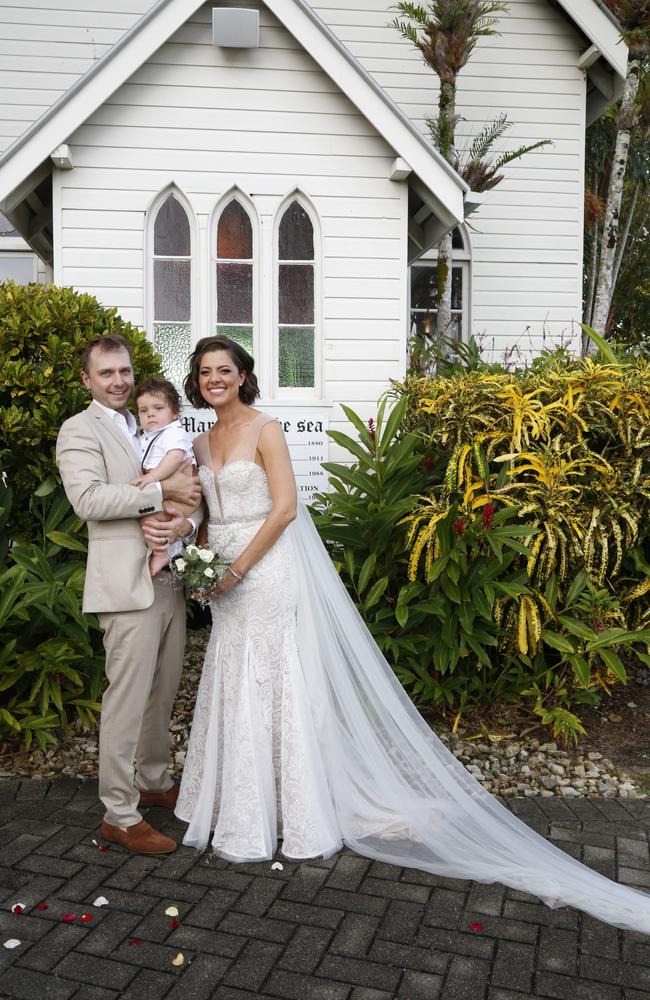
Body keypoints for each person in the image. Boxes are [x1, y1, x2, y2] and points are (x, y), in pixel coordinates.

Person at [173, 335, 650, 934]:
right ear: (197, 381)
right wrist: (199, 564)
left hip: (265, 574)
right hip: (221, 583)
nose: (215, 379)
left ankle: (294, 812)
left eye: (225, 369)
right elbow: (208, 516)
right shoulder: (197, 440)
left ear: (244, 375)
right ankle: (240, 804)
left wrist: (238, 567)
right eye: (205, 372)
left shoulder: (266, 430)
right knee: (233, 674)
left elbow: (287, 508)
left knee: (276, 678)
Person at [56, 335, 202, 855]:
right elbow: (89, 499)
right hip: (124, 585)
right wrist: (160, 493)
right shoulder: (79, 430)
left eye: (124, 371)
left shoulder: (150, 424)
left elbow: (191, 489)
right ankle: (119, 812)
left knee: (163, 691)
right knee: (126, 698)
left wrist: (184, 522)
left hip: (168, 580)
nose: (118, 381)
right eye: (106, 374)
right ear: (87, 379)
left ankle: (154, 782)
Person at [133, 376, 197, 576]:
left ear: (175, 412)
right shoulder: (147, 436)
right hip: (168, 492)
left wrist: (153, 478)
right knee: (148, 518)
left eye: (158, 408)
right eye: (144, 411)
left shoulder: (173, 432)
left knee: (152, 520)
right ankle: (165, 550)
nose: (150, 414)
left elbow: (175, 457)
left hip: (181, 494)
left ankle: (162, 553)